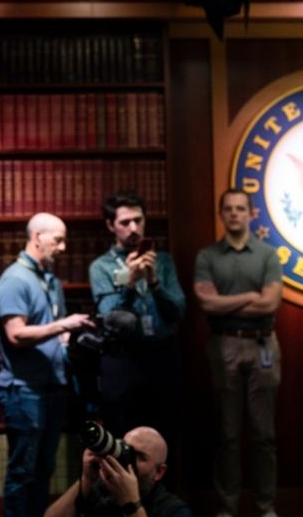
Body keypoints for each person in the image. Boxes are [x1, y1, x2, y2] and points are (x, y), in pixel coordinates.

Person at [0, 212, 95, 517]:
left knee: (43, 470)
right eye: (59, 239)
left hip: (52, 388)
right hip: (25, 391)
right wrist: (64, 324)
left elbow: (55, 332)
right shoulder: (14, 279)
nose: (63, 247)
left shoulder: (51, 280)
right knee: (23, 473)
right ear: (37, 237)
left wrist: (71, 340)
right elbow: (16, 333)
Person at [193, 188, 283, 517]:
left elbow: (271, 303)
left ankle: (266, 507)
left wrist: (226, 303)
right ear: (222, 214)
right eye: (228, 209)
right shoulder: (207, 257)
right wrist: (250, 297)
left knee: (265, 435)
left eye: (240, 208)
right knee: (227, 434)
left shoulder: (267, 255)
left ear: (250, 214)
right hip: (224, 345)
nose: (234, 214)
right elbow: (206, 302)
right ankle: (227, 508)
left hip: (263, 345)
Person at [88, 190, 186, 443]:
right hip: (124, 358)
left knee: (165, 434)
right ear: (111, 226)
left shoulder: (162, 261)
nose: (134, 228)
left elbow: (177, 311)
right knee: (122, 434)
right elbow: (112, 321)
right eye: (125, 222)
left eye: (138, 220)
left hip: (162, 355)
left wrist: (154, 282)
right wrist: (130, 285)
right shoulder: (101, 267)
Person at [43, 426, 191, 517]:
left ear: (159, 472)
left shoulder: (172, 509)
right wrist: (86, 479)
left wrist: (130, 503)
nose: (128, 461)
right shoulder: (99, 491)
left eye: (140, 457)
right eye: (125, 451)